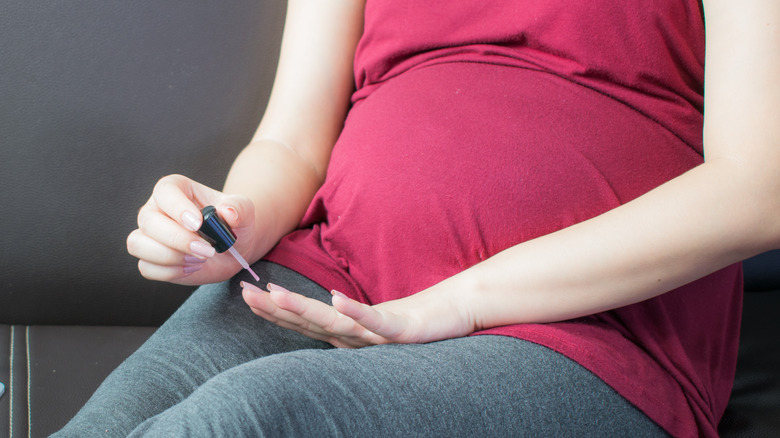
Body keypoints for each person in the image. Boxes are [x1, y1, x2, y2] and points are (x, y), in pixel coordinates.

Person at [55, 0, 779, 436]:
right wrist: (234, 220)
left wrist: (459, 303)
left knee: (250, 423)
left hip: (589, 335)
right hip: (330, 274)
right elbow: (292, 142)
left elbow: (759, 188)